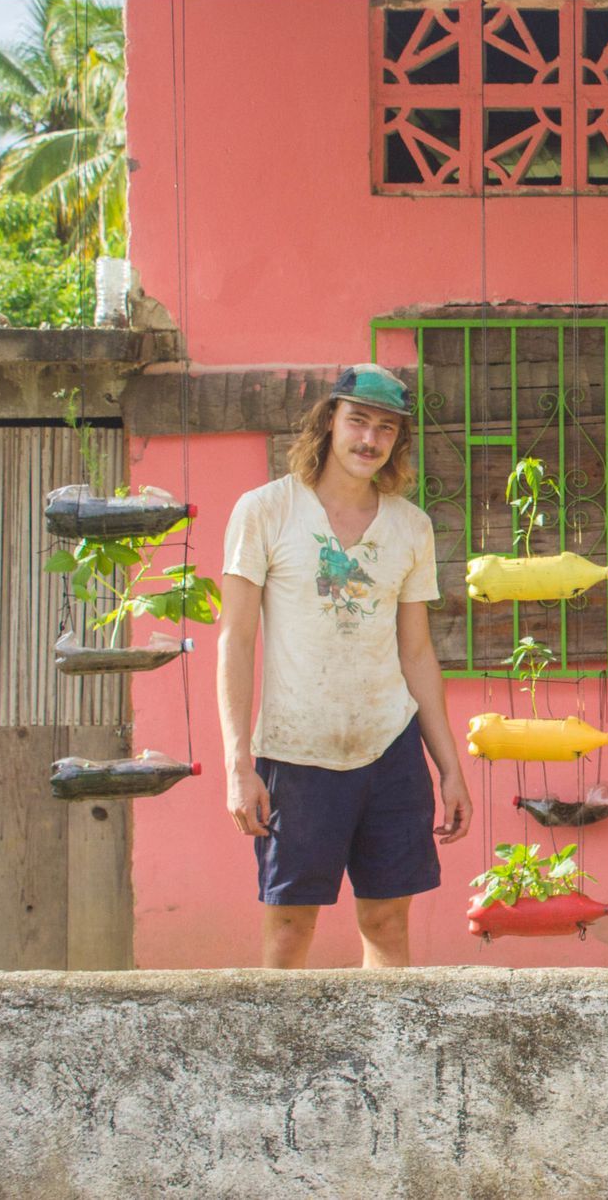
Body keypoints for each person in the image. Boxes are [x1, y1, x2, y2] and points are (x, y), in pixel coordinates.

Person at [218, 364, 471, 968]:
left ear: (397, 441)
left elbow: (417, 652)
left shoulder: (411, 527)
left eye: (386, 428)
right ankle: (278, 1061)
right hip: (296, 749)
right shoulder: (265, 511)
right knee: (288, 925)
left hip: (390, 747)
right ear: (328, 421)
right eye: (358, 420)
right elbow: (236, 637)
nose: (369, 439)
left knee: (386, 922)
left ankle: (386, 1062)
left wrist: (450, 769)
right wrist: (237, 766)